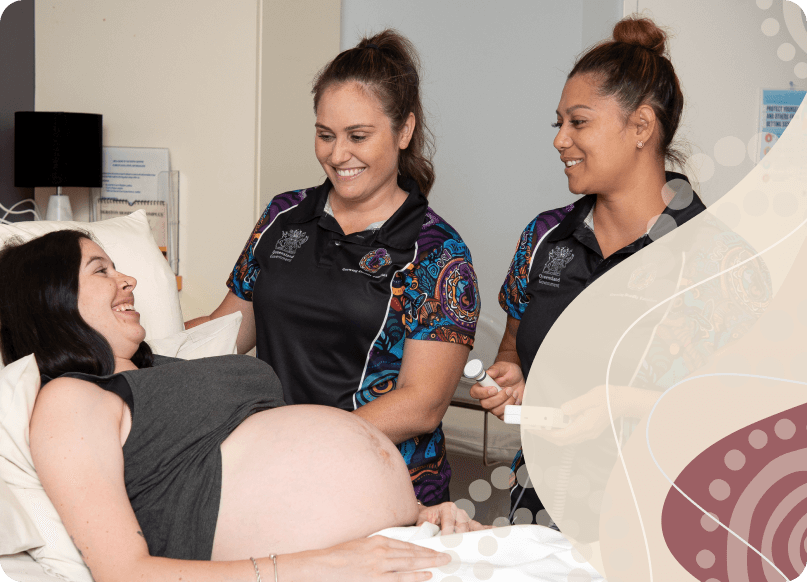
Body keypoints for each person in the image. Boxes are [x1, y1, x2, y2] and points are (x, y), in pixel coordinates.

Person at [0, 229, 487, 582]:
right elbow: (125, 574)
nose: (127, 279)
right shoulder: (72, 398)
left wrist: (414, 516)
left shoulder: (169, 366)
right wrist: (321, 566)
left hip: (391, 546)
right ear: (53, 299)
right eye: (101, 270)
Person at [187, 30, 479, 506]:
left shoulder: (437, 254)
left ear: (404, 131)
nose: (337, 154)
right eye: (325, 135)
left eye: (357, 136)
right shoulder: (284, 216)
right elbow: (227, 331)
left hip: (382, 481)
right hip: (275, 467)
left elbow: (422, 403)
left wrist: (309, 444)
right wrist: (132, 343)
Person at [470, 16, 710, 526]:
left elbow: (745, 408)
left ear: (641, 126)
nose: (560, 140)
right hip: (542, 501)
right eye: (557, 123)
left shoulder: (712, 253)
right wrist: (512, 378)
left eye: (578, 122)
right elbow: (514, 349)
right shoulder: (544, 237)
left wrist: (623, 404)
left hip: (665, 514)